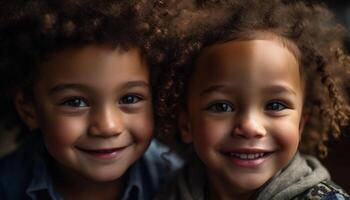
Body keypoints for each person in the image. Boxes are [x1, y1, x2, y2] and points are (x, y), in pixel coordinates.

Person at [155, 0, 350, 199]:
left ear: (300, 123)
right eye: (222, 106)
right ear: (186, 125)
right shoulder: (166, 191)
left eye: (275, 105)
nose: (250, 126)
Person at [0, 0, 181, 199]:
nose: (108, 126)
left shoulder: (175, 180)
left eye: (130, 98)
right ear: (29, 109)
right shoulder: (7, 187)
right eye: (75, 102)